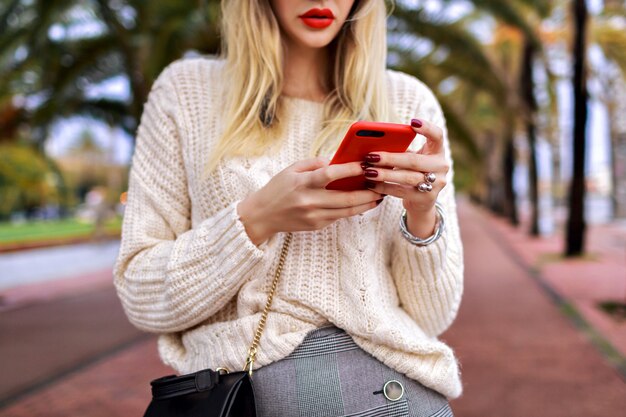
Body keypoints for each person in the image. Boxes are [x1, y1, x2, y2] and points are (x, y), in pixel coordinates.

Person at [113, 0, 464, 416]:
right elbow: (140, 292)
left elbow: (433, 314)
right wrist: (257, 219)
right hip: (246, 395)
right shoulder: (186, 93)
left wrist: (422, 216)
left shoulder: (407, 99)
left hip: (393, 394)